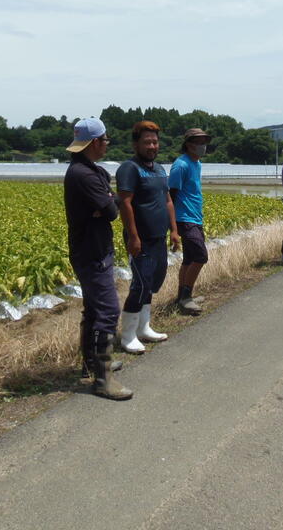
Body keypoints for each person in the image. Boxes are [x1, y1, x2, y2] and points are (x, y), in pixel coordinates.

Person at [64, 117, 132, 400]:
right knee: (108, 310)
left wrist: (105, 202)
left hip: (94, 247)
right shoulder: (84, 175)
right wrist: (106, 203)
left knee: (93, 309)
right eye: (105, 140)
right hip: (91, 251)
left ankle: (91, 364)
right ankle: (103, 379)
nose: (107, 144)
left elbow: (108, 203)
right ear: (95, 142)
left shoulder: (92, 171)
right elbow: (113, 211)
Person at [116, 121, 180, 353]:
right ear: (136, 144)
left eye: (155, 142)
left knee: (152, 282)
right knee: (141, 284)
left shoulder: (159, 169)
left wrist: (174, 230)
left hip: (158, 237)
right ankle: (128, 336)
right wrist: (133, 237)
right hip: (140, 239)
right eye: (147, 142)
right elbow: (125, 203)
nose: (152, 146)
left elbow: (168, 201)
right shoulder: (129, 168)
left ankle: (144, 327)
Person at [169, 127, 211, 315]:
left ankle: (183, 296)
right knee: (201, 256)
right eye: (199, 142)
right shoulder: (181, 165)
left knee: (189, 258)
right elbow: (171, 196)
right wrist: (173, 228)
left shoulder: (197, 163)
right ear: (189, 145)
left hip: (195, 217)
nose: (203, 146)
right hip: (184, 219)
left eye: (204, 142)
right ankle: (186, 298)